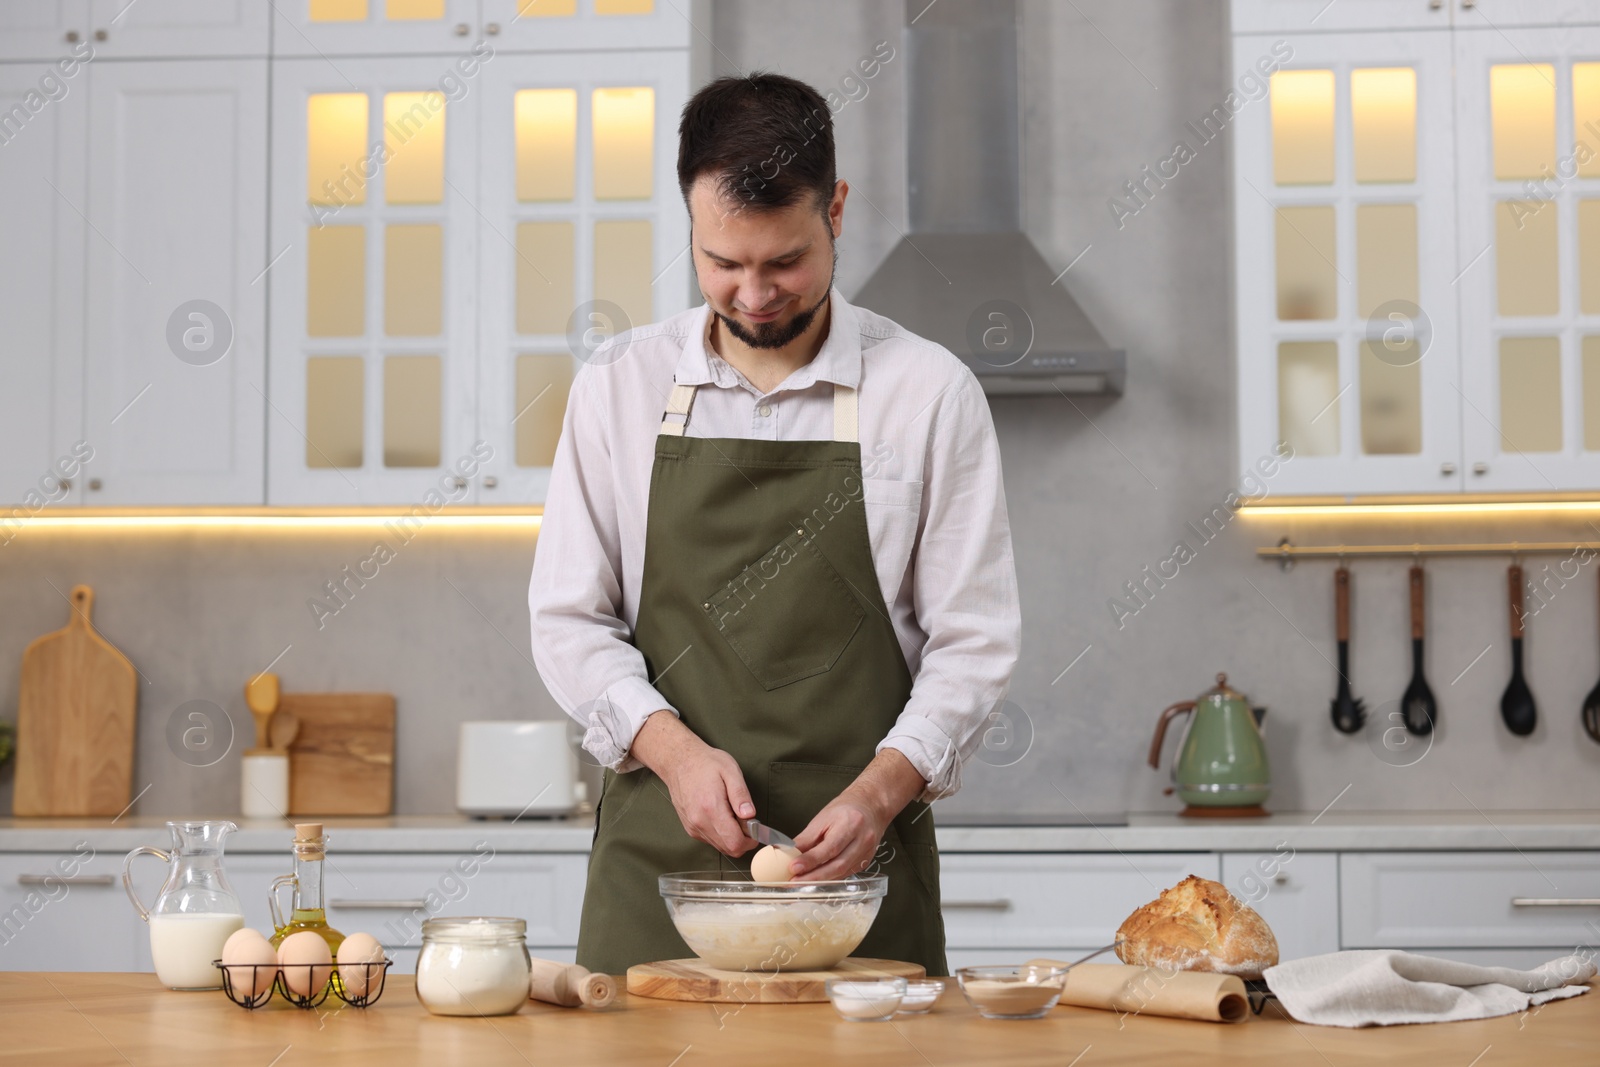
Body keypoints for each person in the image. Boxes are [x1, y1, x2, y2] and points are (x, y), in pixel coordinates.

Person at [528, 71, 1020, 976]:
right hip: (659, 880)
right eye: (722, 262)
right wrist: (672, 753)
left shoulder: (927, 393)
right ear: (689, 222)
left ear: (834, 207)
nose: (753, 293)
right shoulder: (618, 388)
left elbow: (975, 642)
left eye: (783, 260)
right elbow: (568, 620)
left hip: (856, 883)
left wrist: (880, 794)